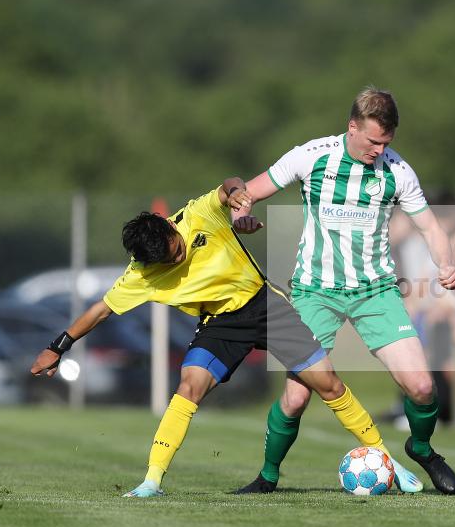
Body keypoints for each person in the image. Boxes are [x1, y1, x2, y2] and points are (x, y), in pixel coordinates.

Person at [30, 178, 419, 497]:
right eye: (169, 260)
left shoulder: (198, 216)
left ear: (171, 227)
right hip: (221, 324)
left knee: (328, 383)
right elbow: (100, 310)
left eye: (176, 249)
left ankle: (388, 460)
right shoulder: (142, 275)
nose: (177, 258)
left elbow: (227, 187)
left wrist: (237, 198)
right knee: (188, 385)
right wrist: (57, 347)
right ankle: (152, 480)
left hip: (266, 307)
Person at [232, 87, 455, 494]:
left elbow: (429, 226)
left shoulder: (398, 171)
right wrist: (242, 216)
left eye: (386, 143)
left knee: (423, 387)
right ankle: (267, 476)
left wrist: (445, 263)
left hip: (375, 291)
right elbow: (248, 192)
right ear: (352, 127)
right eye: (373, 141)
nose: (379, 150)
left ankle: (422, 448)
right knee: (297, 398)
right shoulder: (311, 155)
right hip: (315, 291)